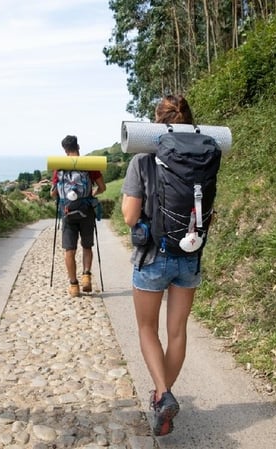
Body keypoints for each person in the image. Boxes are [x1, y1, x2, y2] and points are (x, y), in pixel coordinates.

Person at [120, 95, 199, 436]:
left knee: (147, 329)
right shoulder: (202, 157)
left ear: (156, 124)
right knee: (177, 331)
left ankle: (163, 394)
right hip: (190, 253)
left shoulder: (143, 160)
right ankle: (161, 397)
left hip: (152, 256)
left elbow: (129, 216)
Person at [50, 135, 106, 297]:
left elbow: (54, 193)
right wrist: (91, 194)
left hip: (67, 212)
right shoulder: (89, 165)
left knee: (69, 250)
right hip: (86, 210)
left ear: (65, 150)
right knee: (87, 246)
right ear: (78, 146)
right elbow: (102, 187)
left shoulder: (59, 167)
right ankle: (86, 276)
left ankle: (74, 286)